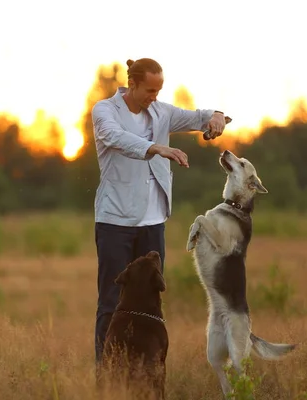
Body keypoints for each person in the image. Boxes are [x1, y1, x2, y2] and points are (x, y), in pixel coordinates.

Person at [92, 57, 226, 369]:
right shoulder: (105, 111)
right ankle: (106, 374)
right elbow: (115, 137)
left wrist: (217, 117)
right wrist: (157, 148)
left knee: (152, 303)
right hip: (115, 222)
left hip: (153, 223)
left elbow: (199, 116)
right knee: (111, 302)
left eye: (159, 90)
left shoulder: (162, 111)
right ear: (133, 84)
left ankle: (149, 371)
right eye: (150, 90)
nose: (155, 96)